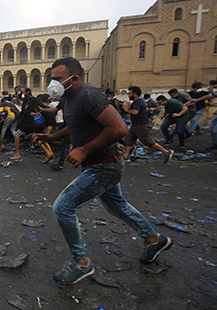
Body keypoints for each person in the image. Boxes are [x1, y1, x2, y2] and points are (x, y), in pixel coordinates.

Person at [33, 58, 172, 285]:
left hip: (104, 164)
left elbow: (119, 128)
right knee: (116, 205)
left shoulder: (89, 95)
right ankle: (155, 240)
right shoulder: (70, 98)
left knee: (63, 207)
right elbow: (77, 125)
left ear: (74, 78)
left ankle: (81, 263)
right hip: (103, 164)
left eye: (57, 79)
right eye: (52, 79)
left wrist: (84, 150)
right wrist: (53, 136)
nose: (53, 84)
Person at [122, 86, 174, 163]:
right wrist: (128, 107)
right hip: (135, 125)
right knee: (128, 140)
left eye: (130, 94)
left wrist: (126, 109)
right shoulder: (137, 102)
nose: (128, 95)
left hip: (141, 126)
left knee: (147, 142)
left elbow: (135, 112)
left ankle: (166, 152)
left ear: (135, 94)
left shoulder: (139, 102)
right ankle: (126, 156)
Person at [10, 88, 38, 160]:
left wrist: (37, 113)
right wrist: (14, 111)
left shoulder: (30, 101)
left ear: (27, 93)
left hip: (26, 123)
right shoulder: (27, 102)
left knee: (16, 136)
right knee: (35, 138)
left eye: (23, 92)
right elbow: (22, 113)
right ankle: (48, 152)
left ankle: (17, 154)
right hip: (30, 122)